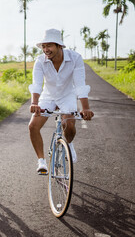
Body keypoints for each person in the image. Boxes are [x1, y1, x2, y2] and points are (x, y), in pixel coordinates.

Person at [28, 29, 94, 174]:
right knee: (33, 126)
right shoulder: (40, 61)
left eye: (49, 46)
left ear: (59, 46)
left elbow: (80, 84)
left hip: (67, 95)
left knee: (69, 125)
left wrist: (85, 108)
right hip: (48, 95)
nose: (46, 50)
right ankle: (41, 161)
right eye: (43, 46)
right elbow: (37, 84)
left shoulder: (75, 58)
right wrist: (34, 103)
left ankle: (69, 145)